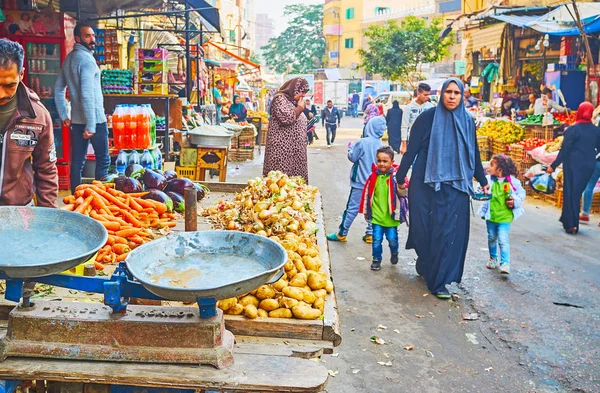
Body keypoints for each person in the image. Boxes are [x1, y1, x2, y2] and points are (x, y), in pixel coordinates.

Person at [395, 78, 489, 298]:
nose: (452, 96)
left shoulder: (466, 120)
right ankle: (426, 262)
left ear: (462, 96)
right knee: (423, 230)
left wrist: (483, 181)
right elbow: (412, 149)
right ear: (442, 93)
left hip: (455, 187)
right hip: (424, 183)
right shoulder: (427, 118)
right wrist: (400, 176)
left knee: (446, 234)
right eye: (449, 92)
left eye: (457, 93)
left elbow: (473, 154)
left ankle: (439, 282)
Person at [0, 38, 57, 207]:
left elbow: (46, 170)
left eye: (9, 85)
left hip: (19, 212)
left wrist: (49, 219)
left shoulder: (37, 116)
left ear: (21, 75)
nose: (0, 94)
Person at [55, 24, 109, 194]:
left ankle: (75, 198)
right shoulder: (87, 60)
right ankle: (102, 199)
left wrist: (64, 114)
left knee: (77, 162)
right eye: (87, 36)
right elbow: (87, 94)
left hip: (77, 121)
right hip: (96, 121)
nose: (92, 39)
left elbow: (57, 90)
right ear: (77, 38)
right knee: (103, 160)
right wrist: (91, 125)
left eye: (93, 35)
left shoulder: (69, 59)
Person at [327, 116, 386, 244]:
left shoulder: (362, 142)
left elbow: (353, 157)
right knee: (372, 208)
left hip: (360, 182)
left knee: (351, 208)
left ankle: (342, 233)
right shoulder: (380, 144)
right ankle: (370, 234)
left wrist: (350, 148)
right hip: (374, 183)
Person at [547, 102, 600, 234]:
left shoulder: (572, 130)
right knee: (576, 193)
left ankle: (571, 224)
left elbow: (564, 150)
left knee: (571, 193)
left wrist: (553, 166)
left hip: (573, 164)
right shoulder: (596, 131)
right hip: (589, 165)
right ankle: (568, 220)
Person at [477, 155, 526, 275]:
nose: (489, 167)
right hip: (491, 216)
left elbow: (521, 193)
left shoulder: (512, 182)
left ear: (500, 169)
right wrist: (480, 192)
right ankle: (493, 258)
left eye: (492, 164)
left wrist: (514, 201)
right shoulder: (487, 180)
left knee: (503, 239)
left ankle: (505, 263)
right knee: (491, 238)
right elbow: (479, 188)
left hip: (505, 217)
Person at [359, 146, 406, 271]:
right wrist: (366, 211)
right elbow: (367, 195)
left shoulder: (396, 178)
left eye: (385, 161)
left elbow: (404, 193)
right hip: (377, 217)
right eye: (379, 160)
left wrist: (402, 185)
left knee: (392, 240)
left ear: (392, 162)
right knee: (376, 240)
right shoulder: (373, 177)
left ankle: (394, 252)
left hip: (391, 218)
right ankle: (376, 259)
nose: (381, 164)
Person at [262, 78, 310, 181]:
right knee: (280, 184)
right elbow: (287, 118)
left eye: (305, 92)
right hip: (281, 153)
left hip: (294, 153)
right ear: (294, 89)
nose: (303, 95)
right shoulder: (280, 99)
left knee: (294, 188)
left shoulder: (292, 101)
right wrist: (300, 108)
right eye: (302, 91)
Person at [400, 83, 434, 154]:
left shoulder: (431, 107)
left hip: (427, 140)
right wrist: (404, 145)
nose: (427, 97)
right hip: (413, 139)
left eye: (428, 95)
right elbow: (404, 126)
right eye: (425, 95)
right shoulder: (408, 107)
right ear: (419, 93)